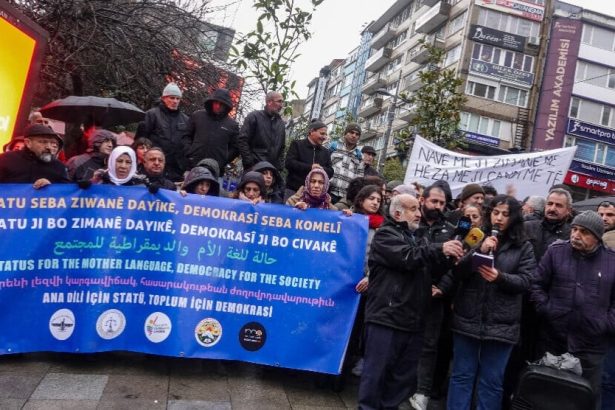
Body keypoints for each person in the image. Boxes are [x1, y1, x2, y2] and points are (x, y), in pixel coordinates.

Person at [357, 194, 464, 410]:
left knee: (402, 379)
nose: (418, 213)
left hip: (413, 320)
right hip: (386, 317)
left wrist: (449, 259)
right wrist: (439, 249)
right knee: (376, 376)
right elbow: (407, 257)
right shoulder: (385, 235)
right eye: (413, 209)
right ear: (398, 213)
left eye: (418, 209)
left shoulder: (419, 238)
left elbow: (429, 268)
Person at [447, 195, 535, 410]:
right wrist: (480, 250)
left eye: (505, 214)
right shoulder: (475, 236)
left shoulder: (524, 246)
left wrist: (500, 278)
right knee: (461, 376)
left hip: (501, 323)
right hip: (468, 317)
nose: (499, 218)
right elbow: (457, 271)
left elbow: (527, 281)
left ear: (514, 218)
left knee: (491, 382)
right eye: (496, 213)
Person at [531, 211, 615, 408]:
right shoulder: (556, 252)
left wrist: (604, 324)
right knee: (546, 398)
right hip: (553, 341)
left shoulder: (612, 261)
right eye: (574, 229)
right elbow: (536, 285)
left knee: (583, 401)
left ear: (597, 236)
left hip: (591, 347)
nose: (576, 235)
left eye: (584, 232)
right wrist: (547, 310)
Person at [410, 185, 456, 410]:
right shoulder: (411, 222)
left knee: (429, 346)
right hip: (408, 293)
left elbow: (456, 264)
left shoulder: (451, 229)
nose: (438, 206)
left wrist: (443, 287)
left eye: (442, 203)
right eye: (434, 201)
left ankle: (422, 391)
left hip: (434, 296)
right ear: (423, 200)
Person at [349, 184, 385, 377]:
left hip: (368, 284)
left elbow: (380, 256)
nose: (375, 202)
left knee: (361, 325)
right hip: (346, 282)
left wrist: (370, 277)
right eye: (371, 198)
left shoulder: (382, 227)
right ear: (361, 199)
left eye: (379, 200)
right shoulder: (350, 219)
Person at [136, 82, 190, 181]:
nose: (175, 101)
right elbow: (140, 140)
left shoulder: (186, 120)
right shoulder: (151, 115)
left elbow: (187, 143)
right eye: (172, 98)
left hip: (177, 169)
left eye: (178, 98)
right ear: (163, 98)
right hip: (154, 166)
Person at [184, 88, 239, 171]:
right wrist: (189, 153)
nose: (218, 106)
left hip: (215, 170)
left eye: (221, 104)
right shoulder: (197, 116)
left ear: (226, 105)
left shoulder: (232, 125)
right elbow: (186, 136)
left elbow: (235, 147)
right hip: (192, 166)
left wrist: (223, 160)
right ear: (211, 102)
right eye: (216, 102)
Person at [0, 124, 69, 187]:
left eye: (52, 143)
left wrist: (51, 187)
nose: (49, 147)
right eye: (43, 142)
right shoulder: (6, 159)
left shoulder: (58, 166)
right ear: (28, 143)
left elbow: (66, 191)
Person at [284, 119, 333, 199]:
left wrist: (320, 169)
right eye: (322, 133)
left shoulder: (326, 152)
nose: (324, 137)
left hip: (315, 195)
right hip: (293, 190)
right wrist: (310, 167)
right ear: (312, 131)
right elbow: (289, 163)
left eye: (325, 134)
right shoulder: (297, 145)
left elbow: (330, 171)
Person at [237, 91, 286, 172]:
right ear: (269, 102)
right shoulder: (254, 117)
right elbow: (242, 140)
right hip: (254, 169)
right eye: (279, 101)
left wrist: (280, 166)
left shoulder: (281, 124)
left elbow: (282, 148)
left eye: (282, 102)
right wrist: (249, 163)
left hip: (271, 171)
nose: (281, 105)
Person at [329, 123, 364, 203]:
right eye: (351, 132)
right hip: (329, 191)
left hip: (345, 198)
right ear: (345, 134)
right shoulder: (333, 147)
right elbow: (324, 166)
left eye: (357, 134)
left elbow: (359, 179)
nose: (354, 136)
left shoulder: (359, 156)